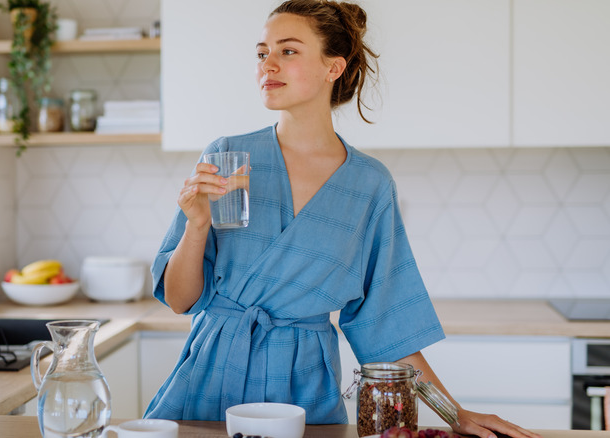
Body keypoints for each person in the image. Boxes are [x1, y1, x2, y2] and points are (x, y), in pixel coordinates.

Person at [144, 1, 540, 437]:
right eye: (262, 53)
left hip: (302, 395)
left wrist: (453, 413)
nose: (268, 64)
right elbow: (181, 300)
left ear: (334, 67)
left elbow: (387, 326)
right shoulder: (226, 157)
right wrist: (197, 226)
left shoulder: (369, 185)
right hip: (207, 383)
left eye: (288, 51)